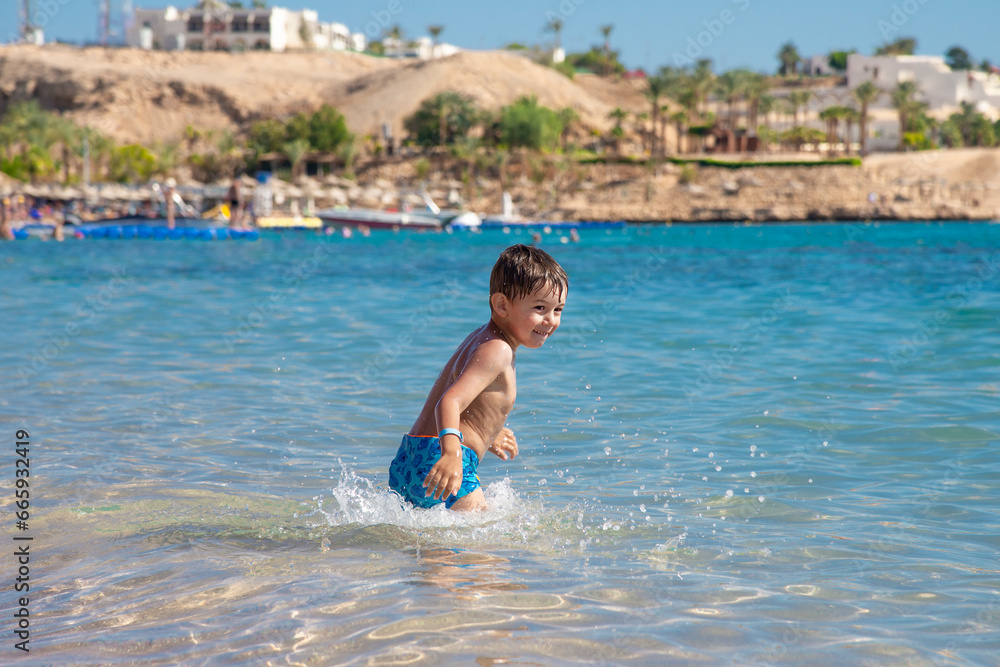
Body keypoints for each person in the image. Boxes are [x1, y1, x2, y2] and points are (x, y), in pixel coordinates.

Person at [388, 244, 568, 511]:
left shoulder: (480, 338)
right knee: (482, 551)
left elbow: (459, 395)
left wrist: (488, 433)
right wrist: (452, 454)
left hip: (412, 457)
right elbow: (449, 402)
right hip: (444, 457)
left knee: (436, 549)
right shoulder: (499, 349)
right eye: (540, 307)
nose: (550, 320)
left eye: (558, 310)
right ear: (501, 305)